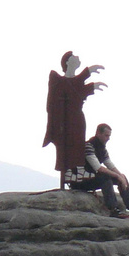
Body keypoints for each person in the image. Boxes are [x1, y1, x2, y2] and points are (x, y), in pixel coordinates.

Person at [43, 52, 105, 184]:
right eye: (73, 57)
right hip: (65, 121)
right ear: (67, 62)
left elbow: (79, 92)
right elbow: (70, 88)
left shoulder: (74, 82)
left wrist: (92, 86)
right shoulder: (57, 79)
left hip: (77, 118)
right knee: (67, 144)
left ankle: (79, 170)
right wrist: (87, 72)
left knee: (78, 142)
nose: (77, 58)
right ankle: (69, 172)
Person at [68, 123, 129, 219]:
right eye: (106, 135)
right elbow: (99, 168)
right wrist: (117, 176)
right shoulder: (88, 146)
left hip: (90, 178)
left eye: (109, 136)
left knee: (121, 176)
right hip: (80, 181)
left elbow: (110, 165)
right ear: (98, 133)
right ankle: (113, 209)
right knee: (105, 177)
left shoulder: (102, 149)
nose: (108, 138)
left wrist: (120, 176)